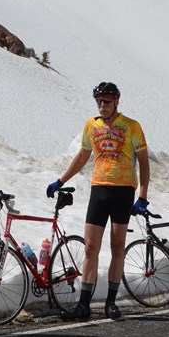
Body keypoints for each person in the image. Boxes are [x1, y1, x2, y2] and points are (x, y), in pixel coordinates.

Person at [47, 82, 149, 321]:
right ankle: (83, 305)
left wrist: (143, 196)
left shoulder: (132, 126)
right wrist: (60, 181)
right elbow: (83, 155)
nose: (103, 106)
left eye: (107, 102)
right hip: (99, 190)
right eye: (99, 102)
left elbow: (144, 163)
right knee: (91, 248)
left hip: (124, 191)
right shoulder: (91, 125)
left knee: (117, 247)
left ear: (117, 102)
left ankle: (111, 303)